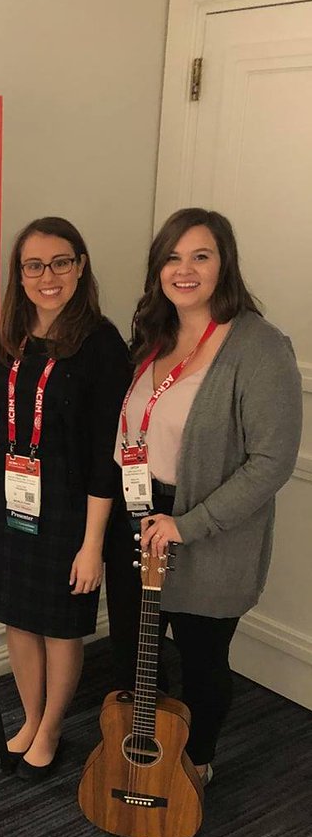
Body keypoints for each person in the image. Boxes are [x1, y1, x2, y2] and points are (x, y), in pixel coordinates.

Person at [105, 208, 302, 784]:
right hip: (137, 515)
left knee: (202, 660)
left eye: (200, 256)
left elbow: (271, 462)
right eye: (172, 257)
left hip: (206, 529)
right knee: (135, 653)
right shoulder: (154, 334)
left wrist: (187, 525)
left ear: (224, 264)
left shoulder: (260, 347)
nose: (184, 269)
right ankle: (146, 746)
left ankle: (195, 764)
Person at [0, 216, 131, 777]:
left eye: (60, 263)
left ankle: (53, 726)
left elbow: (106, 455)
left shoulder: (102, 344)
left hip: (68, 507)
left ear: (80, 266)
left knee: (60, 624)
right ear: (19, 275)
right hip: (6, 498)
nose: (48, 277)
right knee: (18, 616)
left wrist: (93, 545)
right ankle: (31, 715)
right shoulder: (8, 335)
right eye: (34, 266)